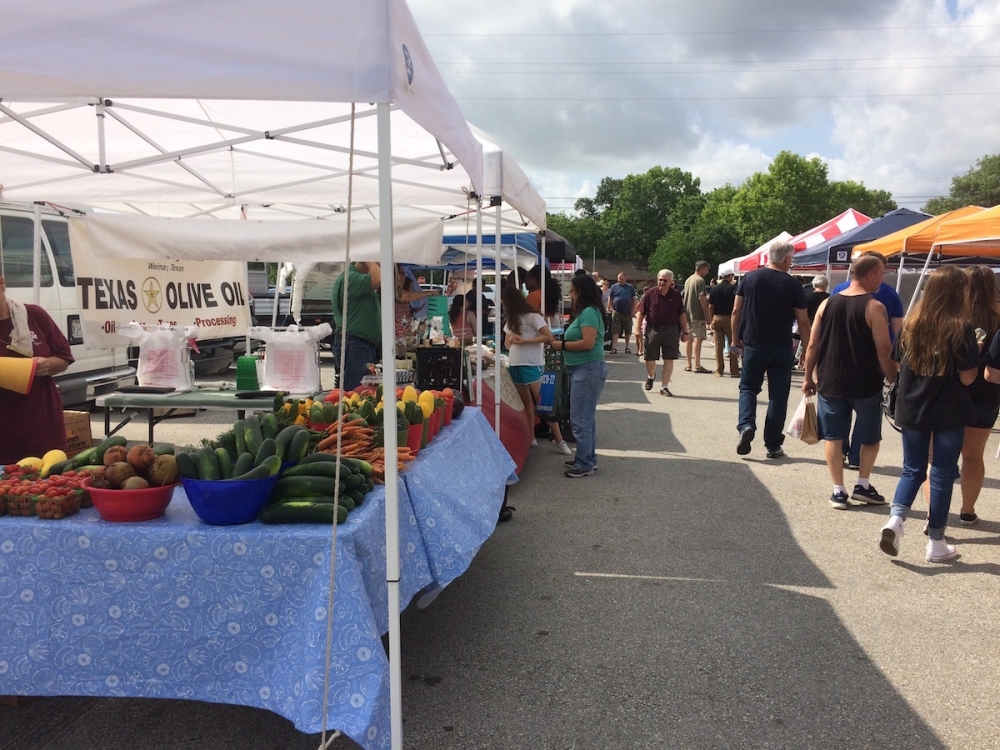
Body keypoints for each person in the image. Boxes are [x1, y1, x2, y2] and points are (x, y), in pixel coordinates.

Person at [879, 266, 979, 563]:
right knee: (942, 473)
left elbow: (897, 364)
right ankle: (936, 542)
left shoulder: (912, 323)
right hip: (948, 410)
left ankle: (895, 520)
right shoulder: (961, 328)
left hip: (912, 407)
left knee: (912, 469)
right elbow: (968, 378)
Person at [802, 254, 897, 510]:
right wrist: (895, 380)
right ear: (869, 275)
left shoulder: (826, 305)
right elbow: (883, 349)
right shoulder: (874, 307)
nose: (881, 278)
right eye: (880, 273)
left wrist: (808, 376)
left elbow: (813, 344)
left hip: (830, 381)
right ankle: (863, 485)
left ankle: (838, 491)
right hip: (865, 382)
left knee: (833, 437)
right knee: (869, 437)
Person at [731, 240, 810, 459]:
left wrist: (736, 338)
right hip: (781, 347)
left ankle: (746, 425)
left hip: (753, 344)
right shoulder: (793, 284)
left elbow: (736, 310)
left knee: (748, 389)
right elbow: (803, 321)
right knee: (778, 396)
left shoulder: (750, 277)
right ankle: (773, 444)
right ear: (786, 259)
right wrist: (807, 346)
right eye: (791, 259)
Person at [830, 253, 904, 469]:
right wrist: (895, 371)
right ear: (872, 271)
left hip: (840, 360)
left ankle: (841, 451)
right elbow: (898, 331)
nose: (883, 277)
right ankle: (856, 458)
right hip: (873, 363)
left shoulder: (838, 291)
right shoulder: (889, 294)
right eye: (882, 272)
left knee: (839, 411)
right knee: (867, 413)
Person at [0, 274, 74, 463]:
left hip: (42, 424)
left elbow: (64, 356)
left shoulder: (33, 315)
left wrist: (47, 365)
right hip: (4, 432)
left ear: (2, 283)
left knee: (47, 487)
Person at [501, 285, 572, 456]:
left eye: (504, 303)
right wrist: (511, 338)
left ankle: (559, 439)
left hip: (532, 363)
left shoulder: (533, 316)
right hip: (515, 362)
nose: (503, 306)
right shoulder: (511, 320)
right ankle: (531, 437)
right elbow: (506, 345)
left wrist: (524, 341)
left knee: (543, 403)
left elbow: (548, 336)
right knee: (526, 403)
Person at [550, 274, 607, 478]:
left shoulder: (590, 313)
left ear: (580, 292)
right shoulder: (588, 312)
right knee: (585, 417)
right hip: (583, 369)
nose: (570, 295)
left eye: (572, 291)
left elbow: (587, 343)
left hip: (587, 368)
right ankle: (587, 457)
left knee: (580, 418)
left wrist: (561, 345)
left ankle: (584, 463)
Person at [958, 266, 1000, 525]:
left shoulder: (952, 318)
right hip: (987, 394)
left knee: (939, 457)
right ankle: (967, 509)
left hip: (950, 393)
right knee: (974, 455)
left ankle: (934, 514)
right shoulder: (998, 321)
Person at [635, 269, 689, 397]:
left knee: (669, 358)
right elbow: (641, 313)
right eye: (660, 280)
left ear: (671, 282)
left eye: (665, 281)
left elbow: (681, 314)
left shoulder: (676, 295)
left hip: (671, 330)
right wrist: (637, 328)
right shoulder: (649, 293)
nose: (662, 283)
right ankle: (651, 375)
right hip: (653, 329)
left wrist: (685, 332)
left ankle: (664, 386)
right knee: (649, 358)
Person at [331, 261, 381, 391]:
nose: (379, 266)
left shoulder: (356, 278)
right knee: (354, 394)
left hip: (359, 346)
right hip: (356, 346)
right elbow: (378, 278)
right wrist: (369, 259)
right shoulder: (352, 277)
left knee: (360, 394)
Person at [708, 270, 739, 377]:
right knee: (733, 344)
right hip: (729, 318)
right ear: (730, 276)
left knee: (718, 345)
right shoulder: (733, 288)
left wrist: (711, 319)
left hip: (716, 317)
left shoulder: (714, 288)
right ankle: (734, 371)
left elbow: (710, 306)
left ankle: (719, 370)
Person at [683, 261, 711, 373]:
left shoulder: (688, 279)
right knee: (698, 339)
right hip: (697, 314)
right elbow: (701, 298)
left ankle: (689, 364)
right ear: (702, 268)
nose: (707, 272)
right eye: (707, 269)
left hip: (687, 314)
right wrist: (707, 314)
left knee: (689, 340)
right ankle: (697, 365)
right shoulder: (700, 281)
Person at [607, 272, 637, 354]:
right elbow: (610, 298)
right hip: (617, 311)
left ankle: (627, 347)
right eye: (619, 279)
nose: (620, 280)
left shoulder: (630, 287)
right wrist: (610, 308)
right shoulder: (614, 287)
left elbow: (634, 299)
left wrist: (633, 310)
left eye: (621, 279)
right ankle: (614, 347)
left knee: (628, 330)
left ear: (625, 279)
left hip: (627, 312)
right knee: (615, 330)